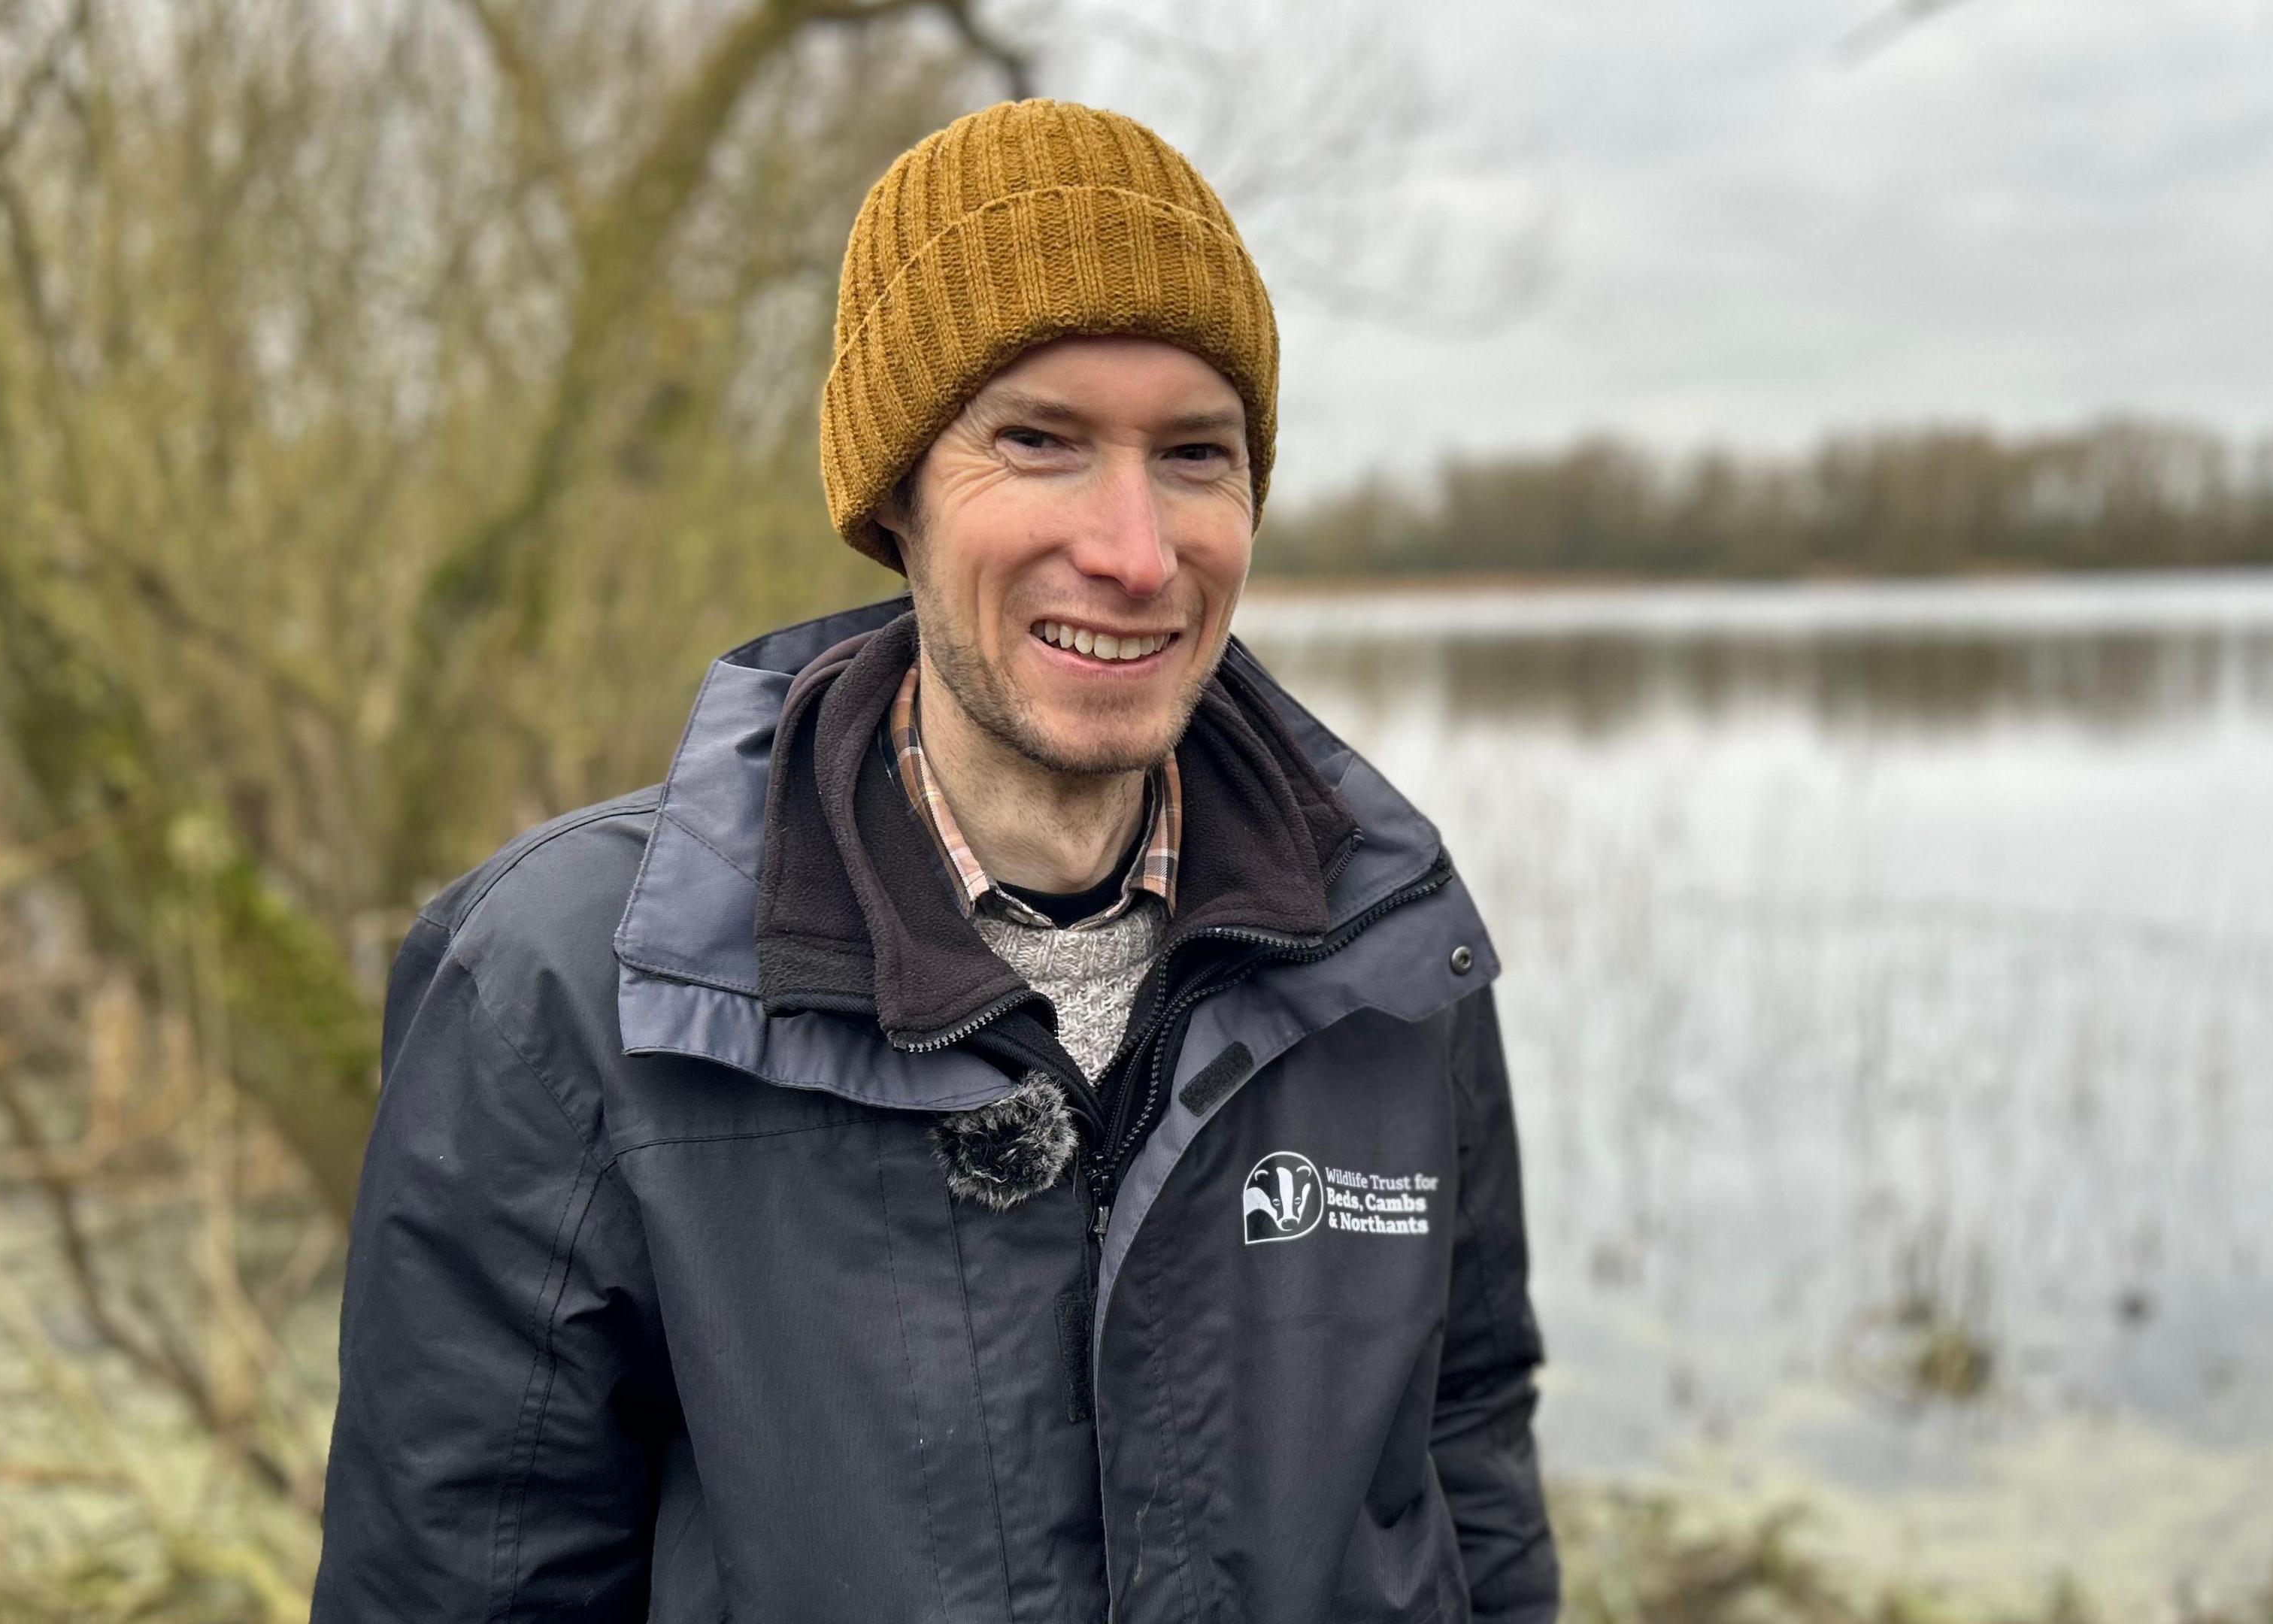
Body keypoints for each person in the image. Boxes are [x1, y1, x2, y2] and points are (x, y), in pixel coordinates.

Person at [313, 98, 1554, 1622]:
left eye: (1194, 455)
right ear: (893, 492)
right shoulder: (568, 990)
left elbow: (1467, 1448)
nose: (1135, 550)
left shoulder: (1386, 945)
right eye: (1038, 440)